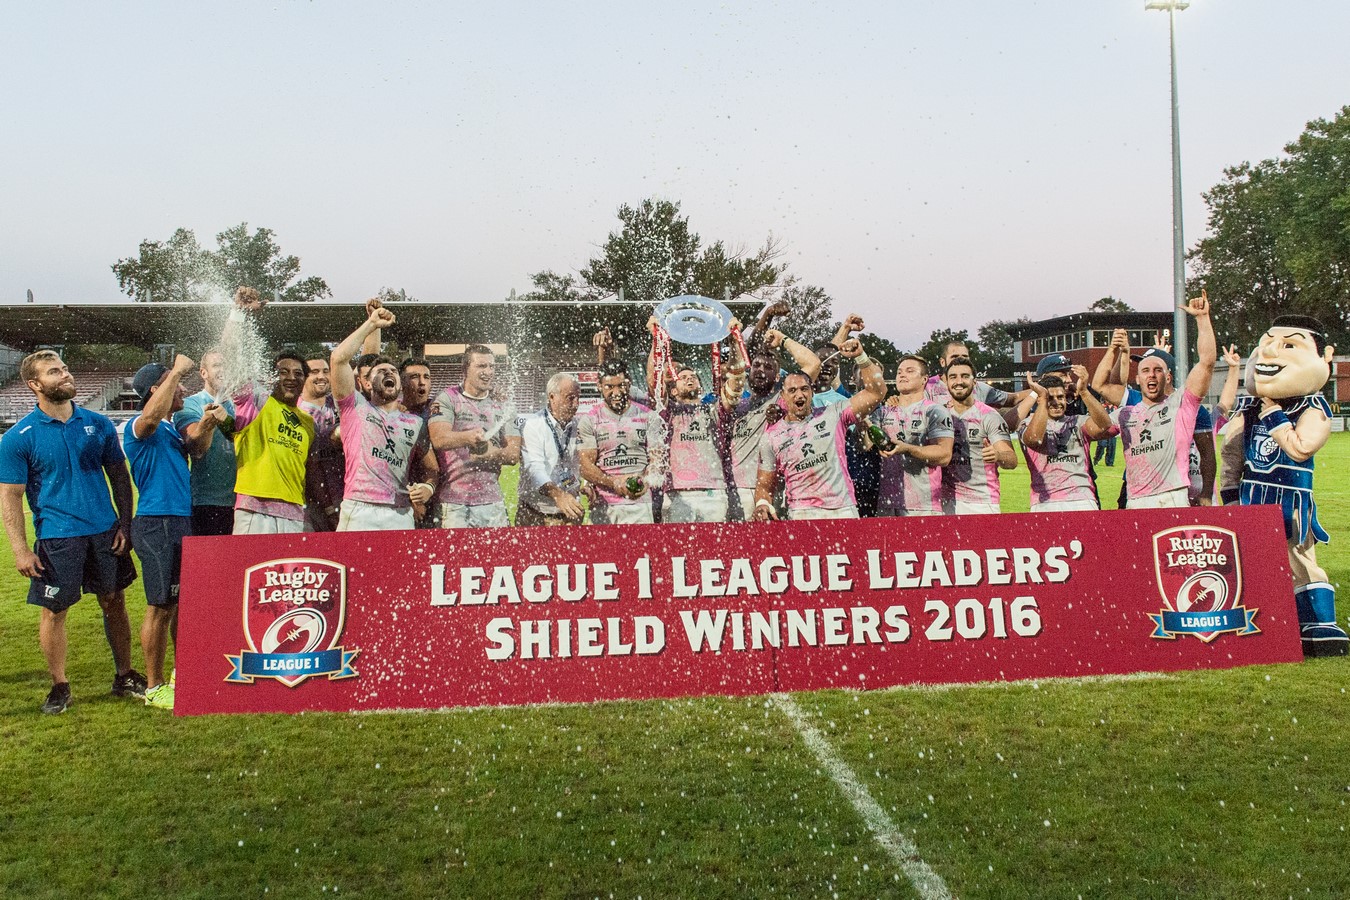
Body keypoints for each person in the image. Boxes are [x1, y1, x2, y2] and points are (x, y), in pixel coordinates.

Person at [0, 350, 144, 713]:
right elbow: (10, 496)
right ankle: (60, 686)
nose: (65, 375)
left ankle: (124, 675)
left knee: (114, 601)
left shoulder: (98, 423)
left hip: (104, 531)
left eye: (65, 369)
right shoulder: (19, 437)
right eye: (54, 371)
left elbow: (120, 477)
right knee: (55, 610)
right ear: (34, 384)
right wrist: (20, 549)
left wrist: (124, 524)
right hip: (57, 536)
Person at [1220, 315, 1345, 656]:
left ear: (1325, 357)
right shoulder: (1249, 409)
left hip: (1290, 502)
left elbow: (1301, 448)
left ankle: (1318, 623)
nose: (1270, 352)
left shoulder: (1312, 407)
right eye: (1267, 343)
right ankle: (1263, 622)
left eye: (1289, 345)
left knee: (1299, 560)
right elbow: (1231, 458)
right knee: (1250, 562)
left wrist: (1274, 415)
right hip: (1251, 500)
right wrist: (1230, 498)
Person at [124, 355, 201, 710]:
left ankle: (182, 674)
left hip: (179, 519)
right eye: (175, 382)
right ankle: (154, 686)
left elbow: (196, 447)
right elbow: (150, 418)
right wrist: (178, 369)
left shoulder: (170, 428)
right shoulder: (138, 424)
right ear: (157, 389)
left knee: (179, 603)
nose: (182, 387)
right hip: (157, 523)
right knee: (159, 606)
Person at [1095, 295, 1217, 508]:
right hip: (1135, 497)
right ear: (1137, 378)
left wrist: (1202, 319)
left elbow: (1206, 363)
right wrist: (1117, 350)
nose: (1151, 375)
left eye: (1157, 370)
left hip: (1172, 496)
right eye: (1145, 370)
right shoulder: (1131, 407)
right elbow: (1101, 385)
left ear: (1168, 377)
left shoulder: (1182, 405)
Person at [752, 338, 888, 521]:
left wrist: (861, 357)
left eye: (804, 389)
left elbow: (876, 392)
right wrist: (762, 504)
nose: (799, 395)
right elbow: (764, 486)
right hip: (801, 512)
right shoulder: (771, 436)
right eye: (792, 391)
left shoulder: (834, 413)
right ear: (782, 396)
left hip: (843, 509)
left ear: (812, 392)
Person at [330, 306, 436, 530]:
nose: (389, 373)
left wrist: (428, 488)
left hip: (400, 512)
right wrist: (371, 324)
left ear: (400, 384)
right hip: (360, 509)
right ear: (367, 383)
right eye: (381, 371)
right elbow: (338, 359)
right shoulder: (355, 408)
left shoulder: (415, 423)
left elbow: (432, 469)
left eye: (393, 371)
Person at [221, 287, 316, 533]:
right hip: (255, 509)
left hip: (294, 512)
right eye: (283, 372)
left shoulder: (307, 422)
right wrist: (238, 314)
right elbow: (230, 357)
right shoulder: (256, 400)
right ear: (272, 377)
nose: (291, 378)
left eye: (298, 373)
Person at [724, 331, 821, 519]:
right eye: (756, 365)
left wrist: (783, 340)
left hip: (764, 490)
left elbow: (814, 364)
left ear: (777, 377)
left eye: (768, 367)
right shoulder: (737, 405)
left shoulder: (782, 399)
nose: (760, 370)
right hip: (731, 490)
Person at [429, 345, 520, 528]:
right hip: (453, 502)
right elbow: (438, 439)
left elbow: (513, 455)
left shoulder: (503, 404)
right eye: (481, 366)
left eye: (492, 366)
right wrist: (469, 438)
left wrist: (490, 454)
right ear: (465, 369)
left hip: (491, 501)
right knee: (455, 549)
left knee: (498, 548)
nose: (489, 372)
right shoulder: (447, 398)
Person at [1018, 367, 1116, 512]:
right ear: (1040, 399)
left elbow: (1105, 425)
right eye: (1050, 398)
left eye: (1060, 397)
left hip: (1082, 498)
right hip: (1045, 501)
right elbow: (1034, 439)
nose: (1056, 402)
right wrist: (1043, 399)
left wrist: (1084, 392)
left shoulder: (1078, 421)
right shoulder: (1027, 424)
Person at [867, 354, 953, 517]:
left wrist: (907, 449)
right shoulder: (883, 412)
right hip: (887, 503)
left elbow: (944, 455)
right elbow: (864, 444)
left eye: (910, 371)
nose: (902, 375)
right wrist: (862, 416)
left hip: (923, 506)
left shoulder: (935, 411)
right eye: (899, 372)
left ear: (924, 379)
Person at [578, 360, 657, 525]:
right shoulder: (590, 420)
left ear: (629, 383)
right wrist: (614, 483)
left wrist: (645, 480)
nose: (616, 392)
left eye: (621, 385)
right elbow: (585, 466)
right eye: (609, 387)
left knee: (642, 543)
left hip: (640, 503)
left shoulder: (648, 416)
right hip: (604, 505)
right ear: (599, 386)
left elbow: (657, 459)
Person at [941, 357, 1017, 514]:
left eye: (965, 376)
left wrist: (998, 455)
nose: (959, 381)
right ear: (946, 382)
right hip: (946, 500)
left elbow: (1011, 460)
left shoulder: (989, 416)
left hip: (981, 502)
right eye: (953, 377)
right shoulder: (940, 415)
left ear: (974, 382)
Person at [173, 349, 236, 536]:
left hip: (245, 503)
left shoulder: (240, 404)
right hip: (208, 502)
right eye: (217, 365)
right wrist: (208, 422)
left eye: (227, 365)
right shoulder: (191, 405)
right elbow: (196, 449)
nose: (223, 370)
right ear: (203, 373)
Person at [518, 373, 586, 526]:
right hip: (536, 514)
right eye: (570, 398)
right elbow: (534, 469)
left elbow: (585, 461)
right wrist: (558, 495)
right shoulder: (534, 425)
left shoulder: (578, 426)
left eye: (578, 398)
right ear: (552, 397)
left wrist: (588, 485)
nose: (576, 404)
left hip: (570, 514)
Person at [298, 356, 343, 532]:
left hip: (342, 496)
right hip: (308, 501)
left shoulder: (339, 404)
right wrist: (328, 508)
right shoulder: (295, 411)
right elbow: (311, 465)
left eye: (325, 371)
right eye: (314, 372)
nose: (321, 376)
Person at [924, 339, 1024, 408]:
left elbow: (1014, 399)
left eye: (965, 356)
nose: (960, 360)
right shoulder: (927, 386)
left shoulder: (978, 387)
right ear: (942, 362)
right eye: (954, 356)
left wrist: (1033, 392)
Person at [399, 357, 439, 527]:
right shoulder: (394, 414)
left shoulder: (440, 410)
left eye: (426, 377)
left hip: (440, 495)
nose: (422, 382)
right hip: (406, 498)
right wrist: (413, 499)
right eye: (414, 377)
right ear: (401, 383)